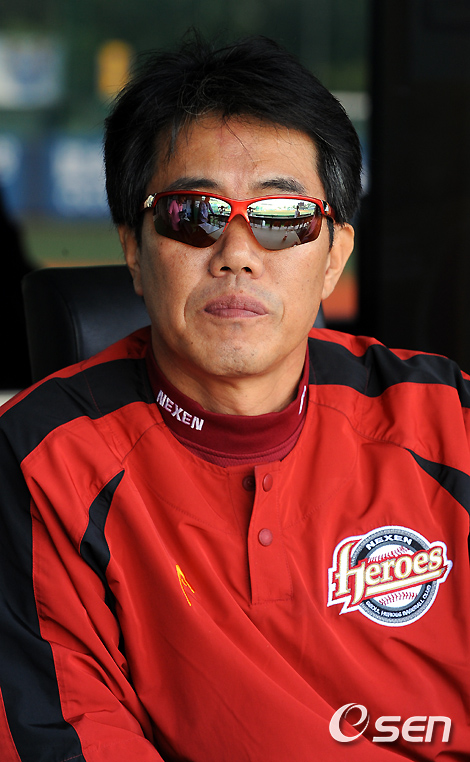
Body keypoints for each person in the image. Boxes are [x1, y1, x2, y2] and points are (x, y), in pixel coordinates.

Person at [0, 33, 469, 762]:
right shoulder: (40, 464)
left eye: (283, 219)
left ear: (334, 256)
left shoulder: (450, 423)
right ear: (133, 249)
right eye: (195, 214)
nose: (238, 254)